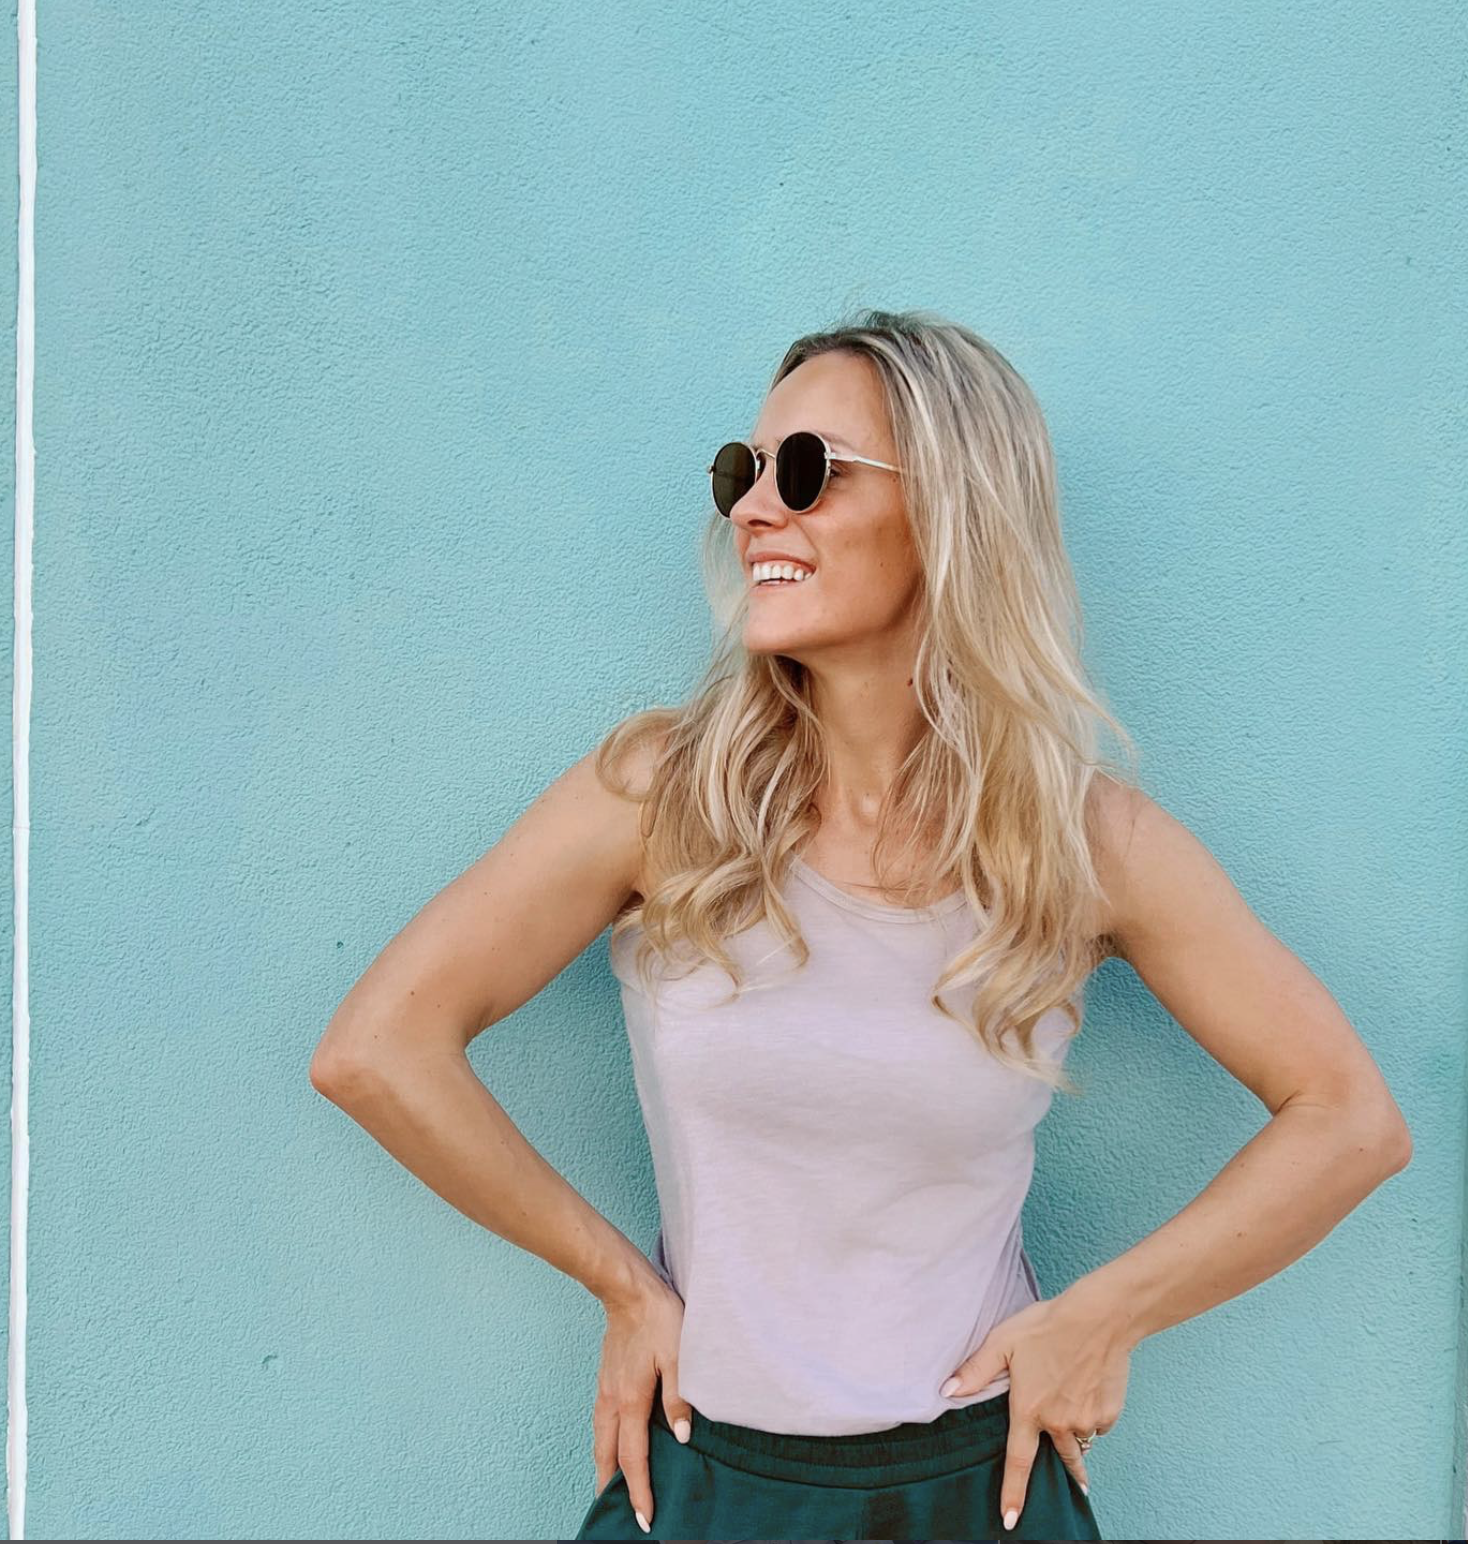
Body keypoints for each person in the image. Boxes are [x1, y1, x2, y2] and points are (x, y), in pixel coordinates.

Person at [309, 308, 1413, 1541]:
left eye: (806, 472)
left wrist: (1107, 1313)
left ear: (949, 510)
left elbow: (1350, 1119)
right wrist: (618, 1281)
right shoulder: (659, 794)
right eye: (743, 472)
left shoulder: (1081, 841)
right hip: (703, 1478)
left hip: (975, 1487)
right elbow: (375, 1049)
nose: (750, 512)